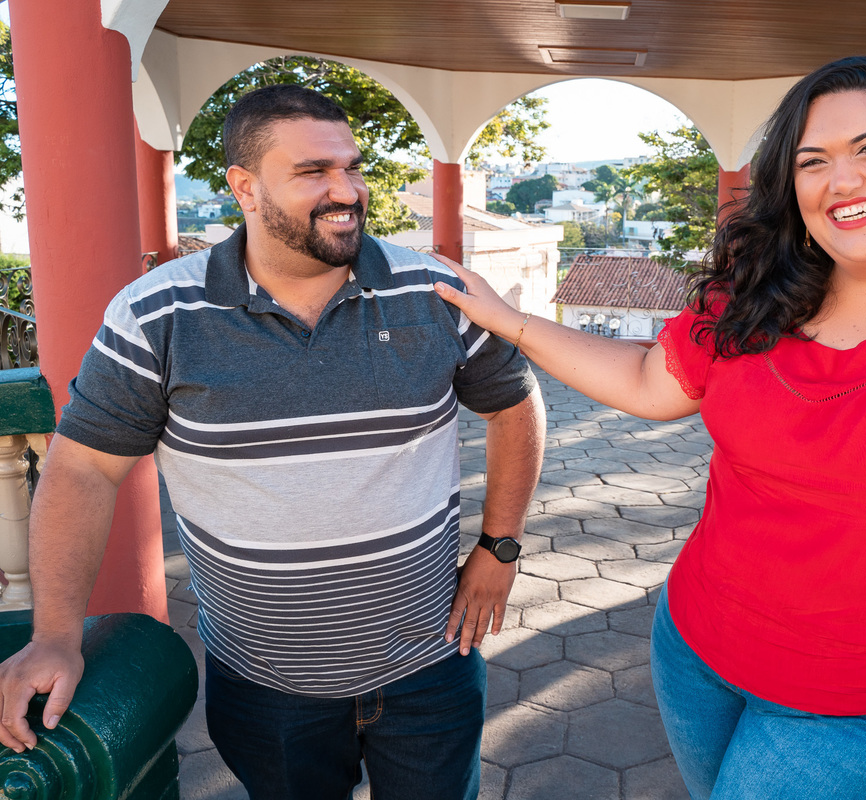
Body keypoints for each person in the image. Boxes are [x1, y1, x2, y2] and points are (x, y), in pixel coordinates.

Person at [432, 56, 866, 799]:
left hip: (859, 700)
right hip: (696, 650)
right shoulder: (761, 287)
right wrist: (509, 320)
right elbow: (646, 382)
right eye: (812, 162)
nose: (842, 181)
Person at [0, 85, 545, 800]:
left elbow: (515, 403)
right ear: (245, 188)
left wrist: (500, 545)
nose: (346, 190)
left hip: (432, 665)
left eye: (351, 167)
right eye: (314, 171)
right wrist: (56, 636)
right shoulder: (158, 314)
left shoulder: (436, 291)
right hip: (265, 687)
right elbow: (82, 472)